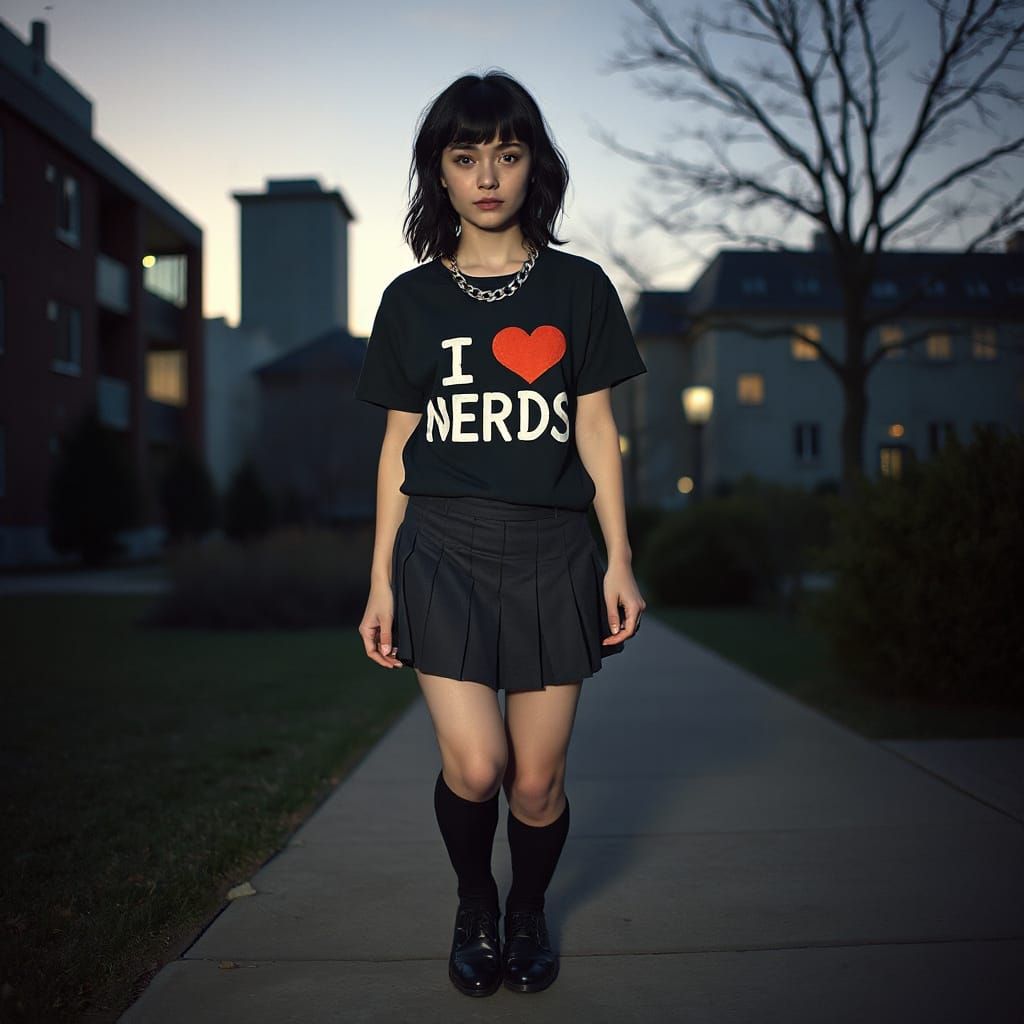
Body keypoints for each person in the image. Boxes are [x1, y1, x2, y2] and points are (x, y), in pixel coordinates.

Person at [354, 69, 647, 998]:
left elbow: (597, 431)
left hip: (555, 550)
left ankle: (530, 912)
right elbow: (398, 445)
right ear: (438, 173)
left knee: (534, 782)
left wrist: (621, 561)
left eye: (508, 155)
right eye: (466, 156)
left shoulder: (579, 287)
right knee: (476, 766)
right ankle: (475, 901)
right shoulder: (410, 302)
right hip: (441, 547)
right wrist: (380, 582)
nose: (488, 175)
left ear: (534, 169)